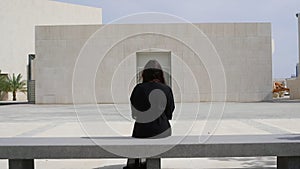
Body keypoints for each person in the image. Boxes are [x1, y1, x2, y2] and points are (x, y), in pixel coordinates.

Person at [123, 60, 175, 169]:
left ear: (144, 74)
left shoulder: (138, 89)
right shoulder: (167, 89)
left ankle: (136, 164)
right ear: (160, 74)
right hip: (163, 131)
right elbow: (169, 113)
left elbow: (134, 115)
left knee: (139, 135)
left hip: (142, 130)